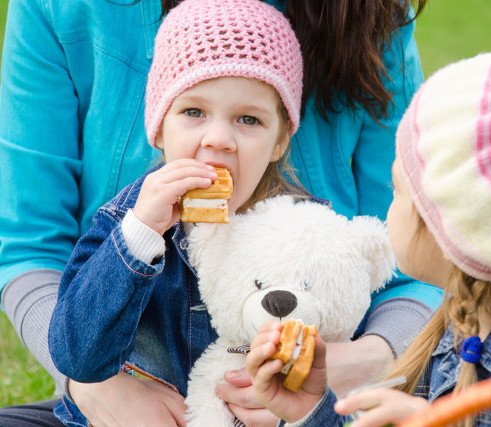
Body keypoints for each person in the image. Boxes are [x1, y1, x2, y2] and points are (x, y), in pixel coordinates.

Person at [0, 0, 441, 426]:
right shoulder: (126, 224)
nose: (219, 139)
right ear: (157, 123)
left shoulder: (308, 229)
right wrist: (99, 388)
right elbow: (67, 330)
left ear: (283, 136)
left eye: (248, 119)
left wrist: (338, 380)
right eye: (193, 112)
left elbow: (419, 264)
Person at [246, 52, 491, 426]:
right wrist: (312, 410)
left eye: (398, 189)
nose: (388, 208)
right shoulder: (467, 323)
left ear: (452, 227)